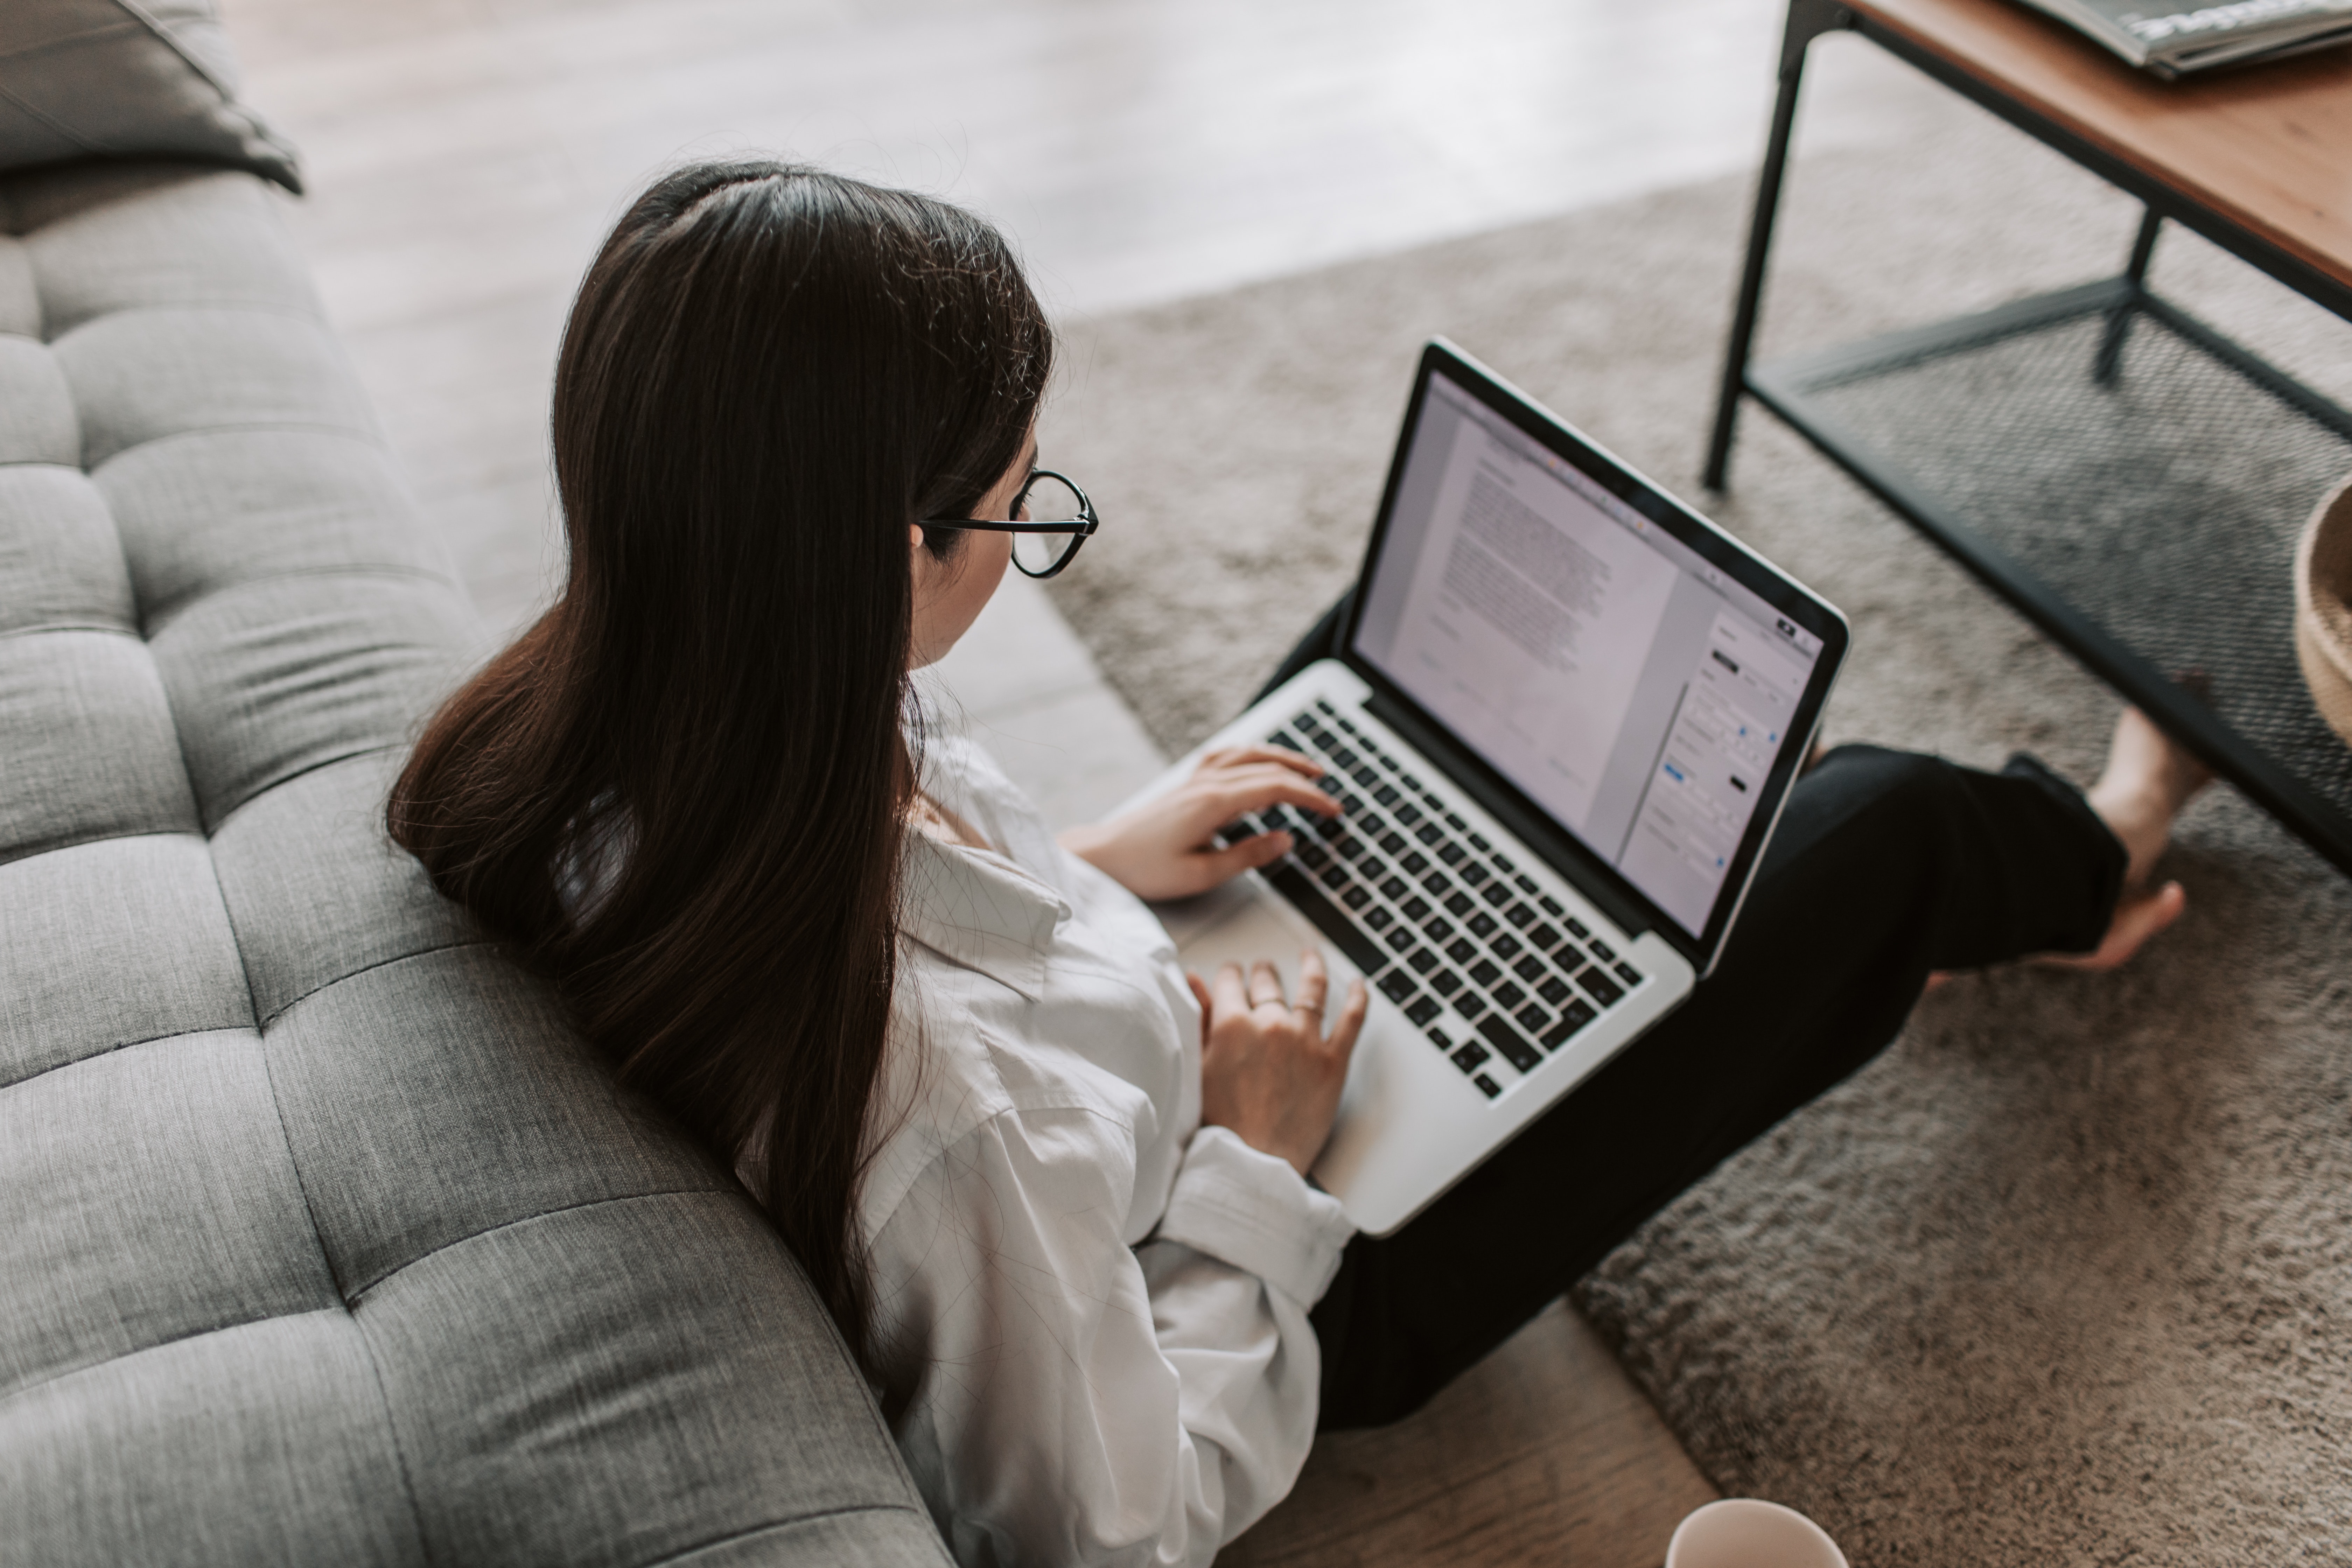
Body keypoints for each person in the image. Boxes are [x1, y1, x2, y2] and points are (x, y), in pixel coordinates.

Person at [388, 161, 2210, 1567]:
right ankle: (2093, 859)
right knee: (1880, 827)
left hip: (1137, 1040)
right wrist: (1256, 1165)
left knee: (1385, 671)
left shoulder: (646, 709)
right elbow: (1120, 1525)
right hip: (1298, 1264)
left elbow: (912, 927)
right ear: (882, 553)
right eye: (1021, 507)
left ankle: (1685, 828)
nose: (1039, 520)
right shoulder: (944, 1120)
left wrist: (1090, 866)